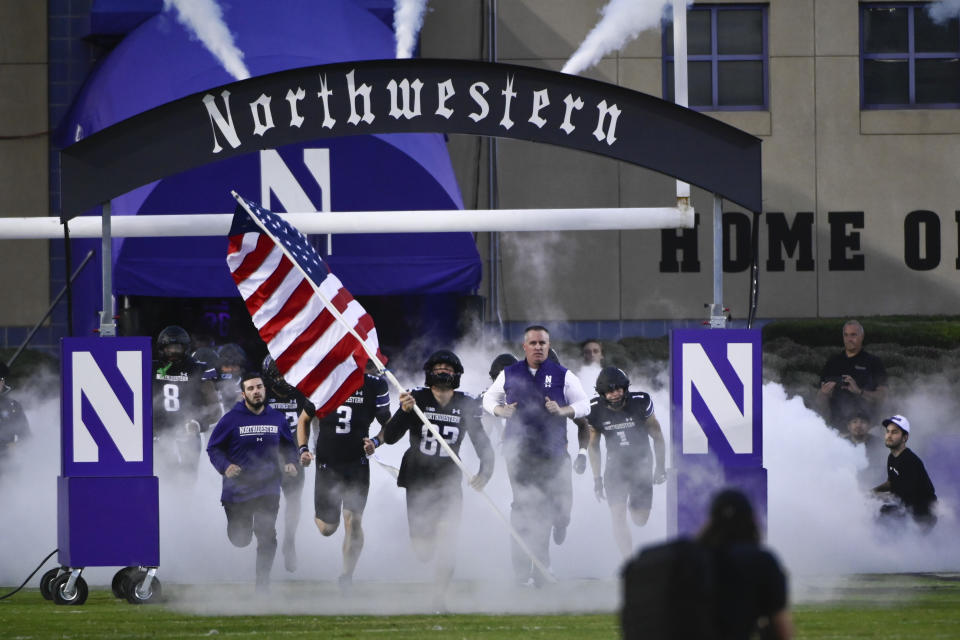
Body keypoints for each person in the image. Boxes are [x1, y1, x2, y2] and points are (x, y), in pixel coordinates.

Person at [384, 350, 494, 607]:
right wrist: (403, 411)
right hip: (418, 479)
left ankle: (439, 597)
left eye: (448, 368)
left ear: (457, 374)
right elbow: (389, 437)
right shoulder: (416, 398)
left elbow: (484, 446)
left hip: (448, 481)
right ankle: (425, 549)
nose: (443, 371)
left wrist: (485, 473)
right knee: (423, 552)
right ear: (429, 372)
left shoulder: (466, 404)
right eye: (439, 367)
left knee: (448, 539)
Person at [482, 325, 590, 586]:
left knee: (559, 511)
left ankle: (558, 527)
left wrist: (562, 410)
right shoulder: (510, 374)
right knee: (525, 509)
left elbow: (584, 408)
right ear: (525, 346)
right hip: (520, 455)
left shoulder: (564, 375)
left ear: (549, 346)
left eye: (543, 343)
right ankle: (528, 570)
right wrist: (499, 410)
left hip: (554, 454)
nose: (538, 347)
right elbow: (487, 399)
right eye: (534, 343)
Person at [621, 488, 792, 640]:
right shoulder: (761, 562)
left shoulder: (685, 562)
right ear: (752, 520)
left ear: (711, 520)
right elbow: (781, 631)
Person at [298, 359, 390, 590]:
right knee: (327, 529)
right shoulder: (324, 381)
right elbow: (304, 419)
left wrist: (376, 442)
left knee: (354, 521)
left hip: (356, 463)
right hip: (327, 463)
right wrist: (303, 449)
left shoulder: (375, 385)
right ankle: (326, 516)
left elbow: (389, 424)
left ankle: (346, 577)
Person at [207, 371, 298, 591]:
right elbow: (213, 447)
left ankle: (262, 583)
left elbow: (288, 446)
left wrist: (291, 462)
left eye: (259, 387)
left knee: (267, 533)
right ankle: (239, 533)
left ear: (264, 390)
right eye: (251, 388)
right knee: (241, 539)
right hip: (237, 490)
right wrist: (225, 466)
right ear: (244, 393)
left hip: (268, 487)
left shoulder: (277, 418)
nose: (256, 392)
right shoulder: (230, 419)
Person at [585, 366, 666, 559]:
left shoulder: (640, 402)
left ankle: (634, 505)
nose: (615, 394)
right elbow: (593, 445)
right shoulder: (594, 409)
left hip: (642, 463)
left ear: (625, 388)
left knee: (640, 519)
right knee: (618, 516)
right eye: (610, 391)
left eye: (618, 389)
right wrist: (597, 479)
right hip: (615, 467)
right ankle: (629, 562)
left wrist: (660, 467)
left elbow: (657, 436)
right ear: (602, 393)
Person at [261, 355, 316, 573]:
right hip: (265, 457)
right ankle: (266, 542)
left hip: (294, 456)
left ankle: (289, 541)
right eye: (279, 373)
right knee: (265, 503)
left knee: (293, 502)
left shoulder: (303, 392)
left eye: (287, 372)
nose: (284, 378)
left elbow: (315, 420)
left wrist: (311, 449)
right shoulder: (260, 393)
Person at [152, 325, 219, 481]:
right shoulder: (150, 367)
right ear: (162, 348)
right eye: (170, 348)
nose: (174, 352)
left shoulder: (198, 369)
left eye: (178, 347)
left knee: (187, 482)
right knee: (161, 481)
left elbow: (215, 409)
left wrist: (198, 422)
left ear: (186, 348)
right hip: (158, 434)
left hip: (187, 434)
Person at [817, 320, 887, 429]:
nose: (849, 339)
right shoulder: (832, 362)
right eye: (846, 335)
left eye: (853, 335)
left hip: (867, 427)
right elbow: (820, 399)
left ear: (862, 336)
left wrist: (859, 391)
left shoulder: (873, 362)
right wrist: (823, 394)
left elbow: (883, 396)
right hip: (838, 427)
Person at [872, 414, 937, 529]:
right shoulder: (891, 457)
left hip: (922, 515)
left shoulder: (910, 461)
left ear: (905, 437)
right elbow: (891, 482)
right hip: (906, 508)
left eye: (895, 432)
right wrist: (873, 491)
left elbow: (906, 495)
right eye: (888, 431)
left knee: (881, 515)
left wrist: (878, 497)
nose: (889, 435)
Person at [841, 409, 886, 491]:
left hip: (874, 485)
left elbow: (884, 468)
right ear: (849, 426)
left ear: (869, 426)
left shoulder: (878, 444)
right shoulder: (842, 444)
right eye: (854, 422)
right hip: (847, 485)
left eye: (862, 422)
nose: (858, 425)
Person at [0, 361, 30, 476]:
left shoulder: (13, 406)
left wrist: (15, 445)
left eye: (0, 379)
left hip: (7, 466)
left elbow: (26, 436)